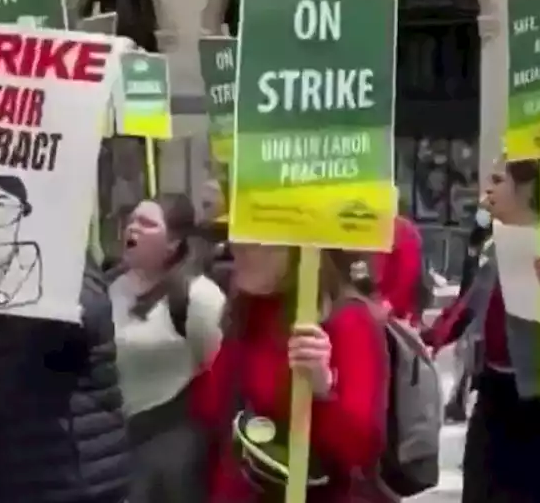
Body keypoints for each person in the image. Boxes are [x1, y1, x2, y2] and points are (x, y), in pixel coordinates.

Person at [423, 158, 540, 502]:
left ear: (527, 188)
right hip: (496, 397)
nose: (488, 190)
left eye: (498, 180)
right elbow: (467, 306)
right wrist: (426, 341)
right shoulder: (493, 246)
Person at [190, 244, 390, 502]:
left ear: (301, 251)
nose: (238, 248)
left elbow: (360, 450)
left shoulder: (349, 321)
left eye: (260, 241)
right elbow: (209, 409)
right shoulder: (250, 310)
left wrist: (322, 390)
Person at [0, 255, 132, 503]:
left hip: (65, 478)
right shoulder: (2, 280)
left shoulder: (75, 276)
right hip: (5, 473)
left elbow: (83, 320)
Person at [107, 194, 225, 503]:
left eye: (146, 224)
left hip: (171, 450)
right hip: (115, 443)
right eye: (131, 220)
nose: (133, 228)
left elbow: (218, 372)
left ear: (173, 243)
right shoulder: (110, 286)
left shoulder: (199, 297)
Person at [444, 204, 493, 423]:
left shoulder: (493, 243)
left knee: (473, 356)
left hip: (482, 306)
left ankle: (464, 400)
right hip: (472, 305)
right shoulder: (477, 241)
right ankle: (459, 400)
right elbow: (469, 273)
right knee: (466, 356)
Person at [373, 215, 425, 325]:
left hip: (398, 314)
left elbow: (408, 275)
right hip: (380, 306)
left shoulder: (403, 230)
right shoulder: (372, 229)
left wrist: (389, 303)